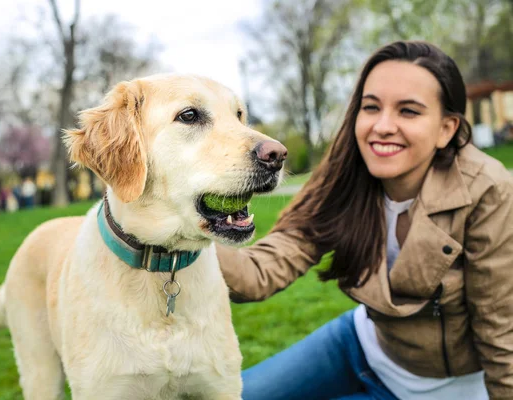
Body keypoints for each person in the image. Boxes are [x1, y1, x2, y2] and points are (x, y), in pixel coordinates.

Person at [217, 41, 513, 400]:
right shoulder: (345, 175)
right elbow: (260, 271)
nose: (383, 126)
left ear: (446, 129)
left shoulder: (489, 192)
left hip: (440, 389)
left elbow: (503, 335)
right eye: (371, 107)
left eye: (409, 111)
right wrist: (181, 238)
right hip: (361, 341)